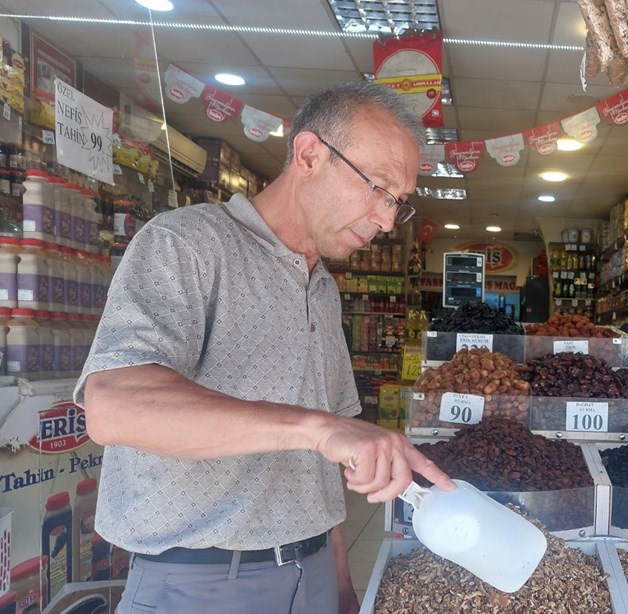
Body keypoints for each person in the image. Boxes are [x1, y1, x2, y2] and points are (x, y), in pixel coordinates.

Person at [75, 81, 454, 614]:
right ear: (309, 155)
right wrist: (317, 429)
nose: (388, 220)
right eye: (378, 188)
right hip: (201, 584)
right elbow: (114, 405)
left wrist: (341, 588)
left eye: (398, 203)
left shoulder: (322, 288)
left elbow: (323, 472)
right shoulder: (188, 244)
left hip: (314, 570)